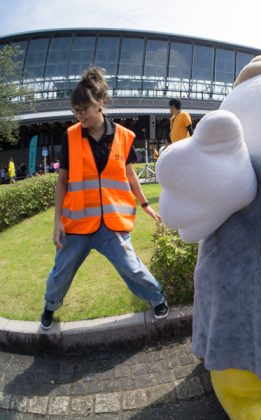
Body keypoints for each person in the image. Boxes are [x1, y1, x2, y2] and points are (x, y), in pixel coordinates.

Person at [40, 67, 168, 330]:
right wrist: (57, 222)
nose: (79, 115)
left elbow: (130, 176)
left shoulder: (123, 136)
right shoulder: (71, 136)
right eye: (75, 110)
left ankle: (157, 299)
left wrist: (144, 204)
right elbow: (62, 180)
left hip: (112, 223)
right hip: (76, 226)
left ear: (99, 104)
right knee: (61, 273)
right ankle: (50, 308)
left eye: (83, 108)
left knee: (132, 267)